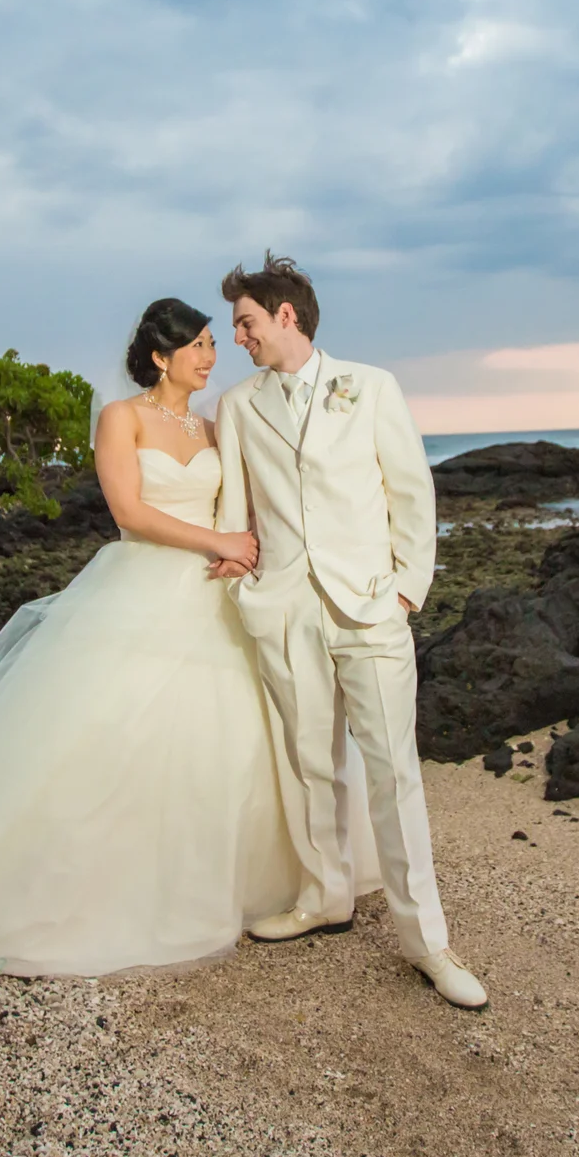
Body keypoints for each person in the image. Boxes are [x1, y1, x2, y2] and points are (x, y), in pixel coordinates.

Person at [0, 298, 362, 976]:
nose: (211, 355)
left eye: (215, 342)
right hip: (139, 585)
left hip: (216, 593)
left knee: (235, 739)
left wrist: (255, 547)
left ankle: (258, 882)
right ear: (160, 356)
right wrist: (216, 538)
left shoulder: (219, 427)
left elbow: (249, 505)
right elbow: (130, 511)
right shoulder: (120, 418)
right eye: (198, 346)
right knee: (110, 733)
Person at [213, 253, 489, 1010]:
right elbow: (235, 515)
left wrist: (405, 591)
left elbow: (411, 490)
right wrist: (252, 595)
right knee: (309, 764)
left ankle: (427, 942)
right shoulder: (239, 405)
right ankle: (324, 894)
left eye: (245, 322)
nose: (237, 337)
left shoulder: (372, 386)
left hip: (370, 607)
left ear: (285, 315)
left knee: (394, 773)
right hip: (286, 611)